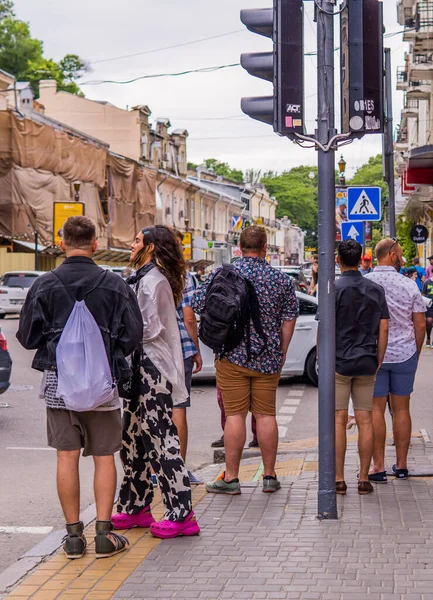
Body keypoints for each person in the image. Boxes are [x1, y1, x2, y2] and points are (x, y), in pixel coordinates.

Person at [17, 216, 143, 559]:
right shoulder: (116, 285)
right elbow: (133, 336)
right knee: (104, 458)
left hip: (60, 386)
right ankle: (104, 534)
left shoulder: (44, 285)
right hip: (103, 387)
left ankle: (73, 538)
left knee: (66, 457)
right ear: (95, 243)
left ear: (62, 244)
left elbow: (27, 337)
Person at [192, 226, 298, 494]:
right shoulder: (281, 280)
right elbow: (289, 320)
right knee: (266, 415)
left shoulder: (223, 273)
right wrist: (281, 352)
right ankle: (270, 477)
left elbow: (197, 305)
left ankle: (231, 479)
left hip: (231, 356)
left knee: (235, 416)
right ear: (265, 249)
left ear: (239, 248)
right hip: (267, 358)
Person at [112, 226, 200, 539]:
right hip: (138, 367)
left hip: (154, 367)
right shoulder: (141, 277)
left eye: (136, 240)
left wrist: (119, 330)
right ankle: (135, 506)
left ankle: (182, 512)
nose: (131, 244)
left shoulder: (154, 281)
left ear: (149, 247)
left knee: (161, 439)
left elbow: (149, 330)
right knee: (133, 438)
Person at [330, 240, 389, 496]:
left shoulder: (332, 290)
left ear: (338, 260)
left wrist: (324, 358)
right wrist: (379, 358)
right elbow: (384, 327)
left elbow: (325, 328)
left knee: (339, 420)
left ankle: (339, 479)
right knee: (366, 419)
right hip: (367, 359)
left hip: (339, 361)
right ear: (361, 259)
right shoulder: (375, 289)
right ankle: (364, 478)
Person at [366, 239, 426, 481]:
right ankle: (401, 466)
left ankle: (378, 467)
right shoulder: (409, 284)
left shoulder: (366, 283)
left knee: (376, 410)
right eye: (400, 255)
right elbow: (420, 323)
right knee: (402, 409)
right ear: (391, 255)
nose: (402, 259)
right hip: (404, 354)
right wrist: (416, 351)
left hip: (374, 356)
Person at [172, 230, 203, 479]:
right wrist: (196, 349)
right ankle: (179, 470)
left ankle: (152, 470)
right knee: (178, 408)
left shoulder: (141, 273)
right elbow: (189, 317)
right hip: (180, 348)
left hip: (149, 351)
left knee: (151, 412)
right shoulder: (184, 276)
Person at [422, 272, 433, 347]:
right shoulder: (427, 282)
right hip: (429, 305)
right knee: (429, 321)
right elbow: (423, 294)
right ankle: (428, 337)